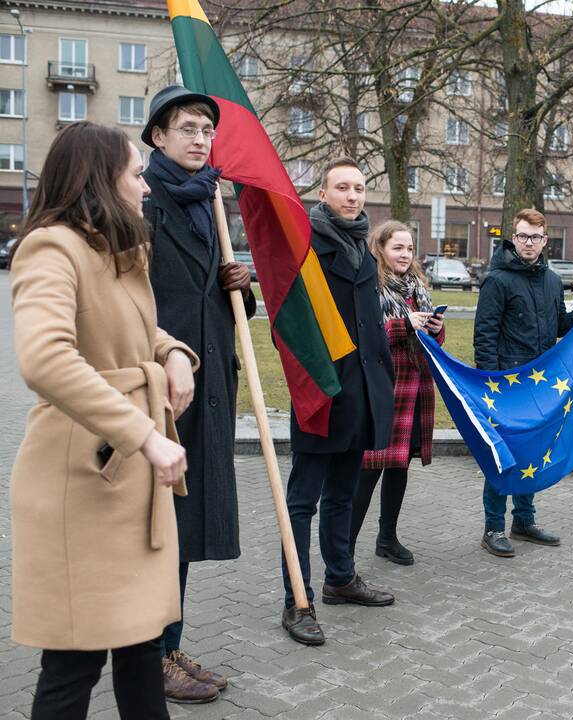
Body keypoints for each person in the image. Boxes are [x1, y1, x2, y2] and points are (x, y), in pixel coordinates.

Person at [10, 121, 198, 719]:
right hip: (85, 479)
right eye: (137, 174)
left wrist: (172, 354)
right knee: (73, 661)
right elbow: (45, 356)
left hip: (125, 479)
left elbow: (132, 331)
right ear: (101, 177)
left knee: (140, 642)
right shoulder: (52, 247)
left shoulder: (112, 250)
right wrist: (143, 433)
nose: (146, 187)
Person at [141, 84, 255, 703]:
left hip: (208, 384)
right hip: (160, 388)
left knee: (182, 526)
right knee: (154, 525)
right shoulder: (142, 202)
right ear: (158, 136)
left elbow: (209, 295)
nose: (199, 139)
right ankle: (147, 657)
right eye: (187, 128)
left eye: (206, 130)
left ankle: (168, 643)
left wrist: (241, 284)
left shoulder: (208, 199)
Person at [281, 158, 395, 646]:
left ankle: (340, 578)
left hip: (363, 395)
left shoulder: (365, 251)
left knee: (344, 496)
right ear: (323, 194)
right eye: (342, 188)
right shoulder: (305, 246)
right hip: (324, 394)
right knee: (302, 502)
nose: (352, 196)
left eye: (359, 188)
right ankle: (296, 600)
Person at [473, 208, 573, 557]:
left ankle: (524, 521)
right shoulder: (497, 280)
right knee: (504, 455)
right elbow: (484, 335)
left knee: (534, 450)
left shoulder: (552, 280)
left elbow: (559, 326)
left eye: (536, 237)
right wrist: (490, 383)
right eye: (523, 236)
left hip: (540, 384)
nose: (529, 243)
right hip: (506, 386)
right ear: (514, 238)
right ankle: (493, 527)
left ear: (545, 240)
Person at [349, 221, 445, 567]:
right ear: (381, 249)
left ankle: (387, 538)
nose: (404, 255)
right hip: (384, 387)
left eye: (408, 249)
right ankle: (344, 548)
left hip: (415, 386)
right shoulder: (369, 285)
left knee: (400, 464)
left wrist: (435, 327)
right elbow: (368, 338)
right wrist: (407, 325)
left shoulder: (417, 286)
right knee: (370, 468)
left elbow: (430, 342)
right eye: (397, 248)